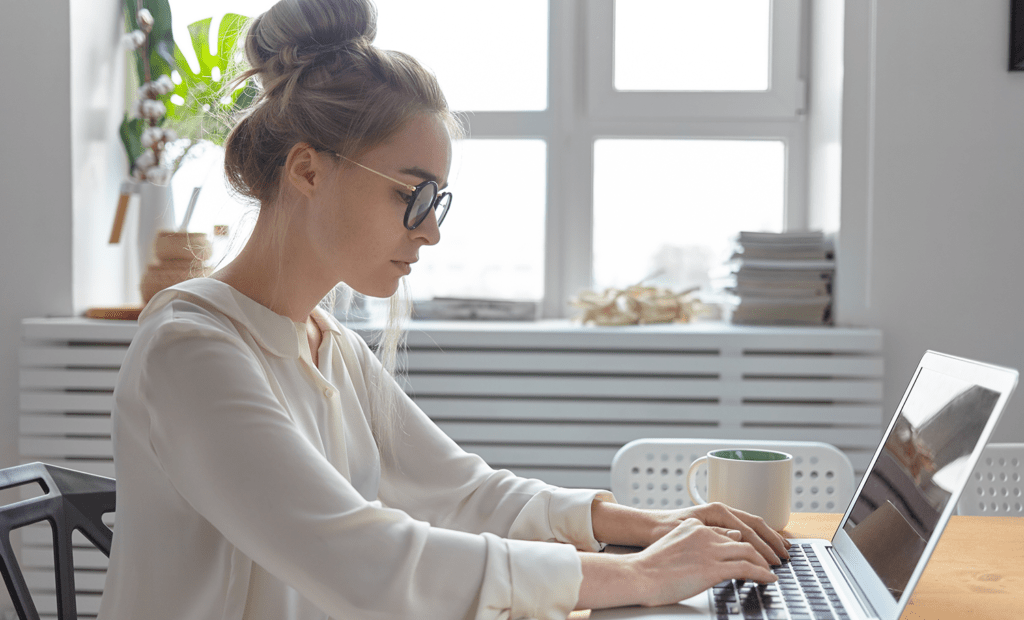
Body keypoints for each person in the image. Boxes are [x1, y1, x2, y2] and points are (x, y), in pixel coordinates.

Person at [97, 1, 789, 618]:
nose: (431, 230)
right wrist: (636, 575)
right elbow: (367, 561)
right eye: (414, 193)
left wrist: (656, 525)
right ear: (307, 171)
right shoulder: (191, 352)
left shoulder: (324, 342)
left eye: (439, 201)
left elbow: (466, 494)